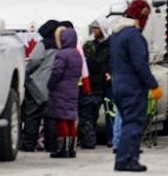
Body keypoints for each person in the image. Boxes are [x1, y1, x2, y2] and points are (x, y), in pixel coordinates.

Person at [110, 0, 162, 172]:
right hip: (132, 88)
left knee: (127, 123)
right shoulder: (134, 36)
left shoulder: (116, 34)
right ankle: (126, 160)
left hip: (118, 86)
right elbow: (140, 64)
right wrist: (153, 85)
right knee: (133, 124)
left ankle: (127, 157)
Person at [22, 19, 62, 152]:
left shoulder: (43, 44)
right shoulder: (60, 45)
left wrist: (26, 72)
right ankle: (51, 146)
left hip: (37, 86)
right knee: (51, 119)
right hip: (54, 88)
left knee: (32, 117)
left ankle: (29, 145)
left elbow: (34, 60)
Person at [46, 26, 84, 159]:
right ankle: (71, 148)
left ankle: (62, 148)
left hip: (60, 90)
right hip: (73, 89)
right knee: (71, 119)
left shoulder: (62, 54)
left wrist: (49, 84)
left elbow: (57, 71)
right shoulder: (77, 54)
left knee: (61, 119)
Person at [78, 18, 111, 150]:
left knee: (110, 113)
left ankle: (111, 138)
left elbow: (113, 60)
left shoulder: (110, 45)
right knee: (90, 114)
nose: (94, 31)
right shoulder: (90, 45)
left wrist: (109, 72)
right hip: (93, 83)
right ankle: (88, 139)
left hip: (106, 83)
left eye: (96, 28)